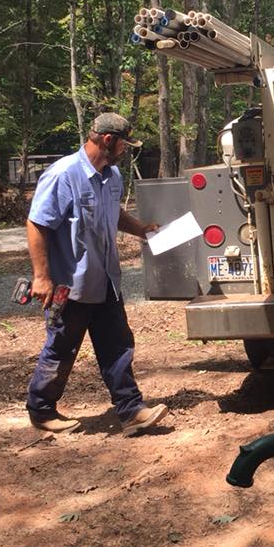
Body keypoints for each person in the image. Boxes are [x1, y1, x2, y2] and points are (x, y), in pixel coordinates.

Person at [24, 112, 169, 436]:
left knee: (118, 345)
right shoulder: (63, 174)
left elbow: (114, 212)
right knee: (62, 348)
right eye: (124, 144)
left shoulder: (112, 176)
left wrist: (141, 229)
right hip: (71, 284)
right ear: (108, 140)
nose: (126, 150)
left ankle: (131, 411)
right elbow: (37, 224)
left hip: (106, 281)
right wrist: (41, 277)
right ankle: (41, 410)